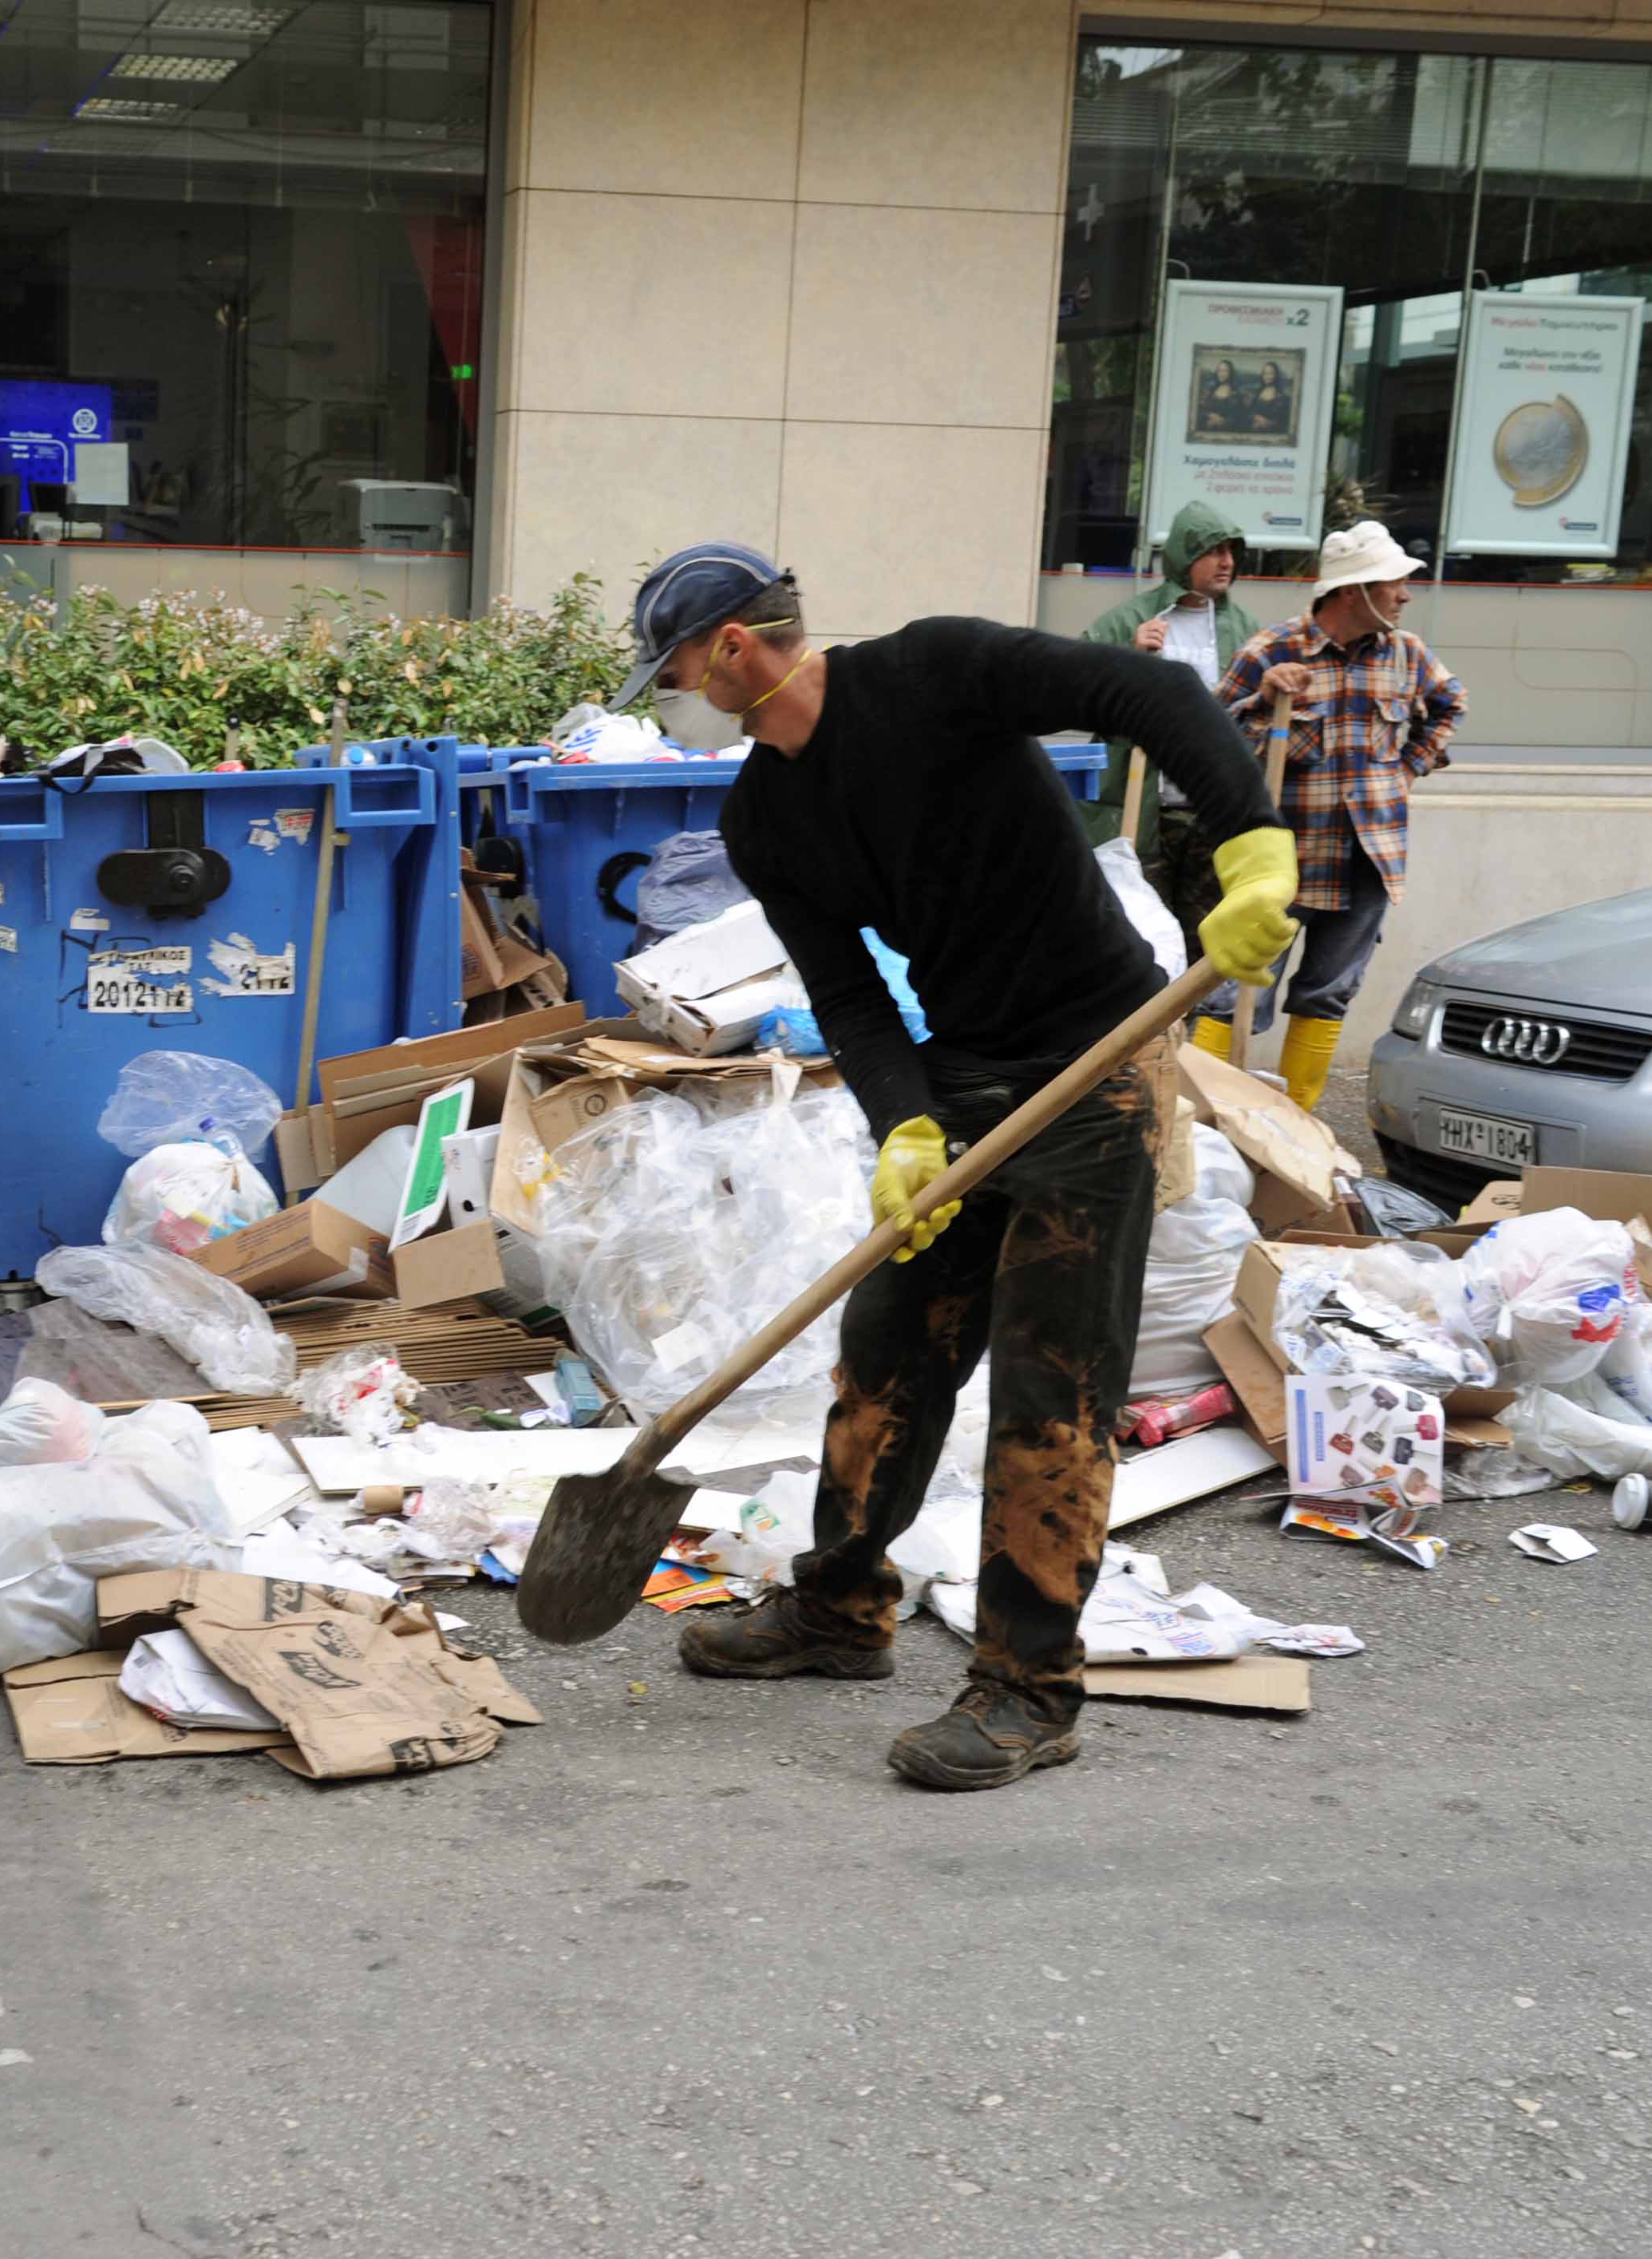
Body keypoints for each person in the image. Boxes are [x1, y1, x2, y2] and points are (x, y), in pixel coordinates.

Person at [626, 541, 1298, 1790]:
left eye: (671, 664)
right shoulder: (762, 815)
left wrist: (1250, 844)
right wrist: (905, 1126)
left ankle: (1027, 1691)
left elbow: (1152, 697)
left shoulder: (934, 672)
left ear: (732, 648)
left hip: (1102, 1059)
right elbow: (848, 996)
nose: (670, 688)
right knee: (886, 1352)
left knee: (1056, 1391)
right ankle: (839, 1611)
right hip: (969, 1071)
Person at [1213, 520, 1466, 1111]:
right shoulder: (1271, 651)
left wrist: (1408, 769)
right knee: (1234, 993)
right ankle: (1210, 1125)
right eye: (1396, 584)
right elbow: (1209, 736)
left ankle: (1295, 1127)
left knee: (1328, 995)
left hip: (1366, 857)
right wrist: (1263, 701)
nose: (1406, 596)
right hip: (1280, 855)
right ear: (1354, 592)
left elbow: (1451, 704)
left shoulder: (1408, 655)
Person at [1080, 504, 1260, 1046]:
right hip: (1143, 809)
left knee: (1206, 944)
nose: (1225, 562)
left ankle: (1194, 1063)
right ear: (1184, 555)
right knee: (1141, 936)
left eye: (1231, 551)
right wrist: (1127, 660)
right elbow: (1073, 694)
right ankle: (1138, 1052)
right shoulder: (1127, 621)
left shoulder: (1245, 631)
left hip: (1212, 809)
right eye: (1212, 550)